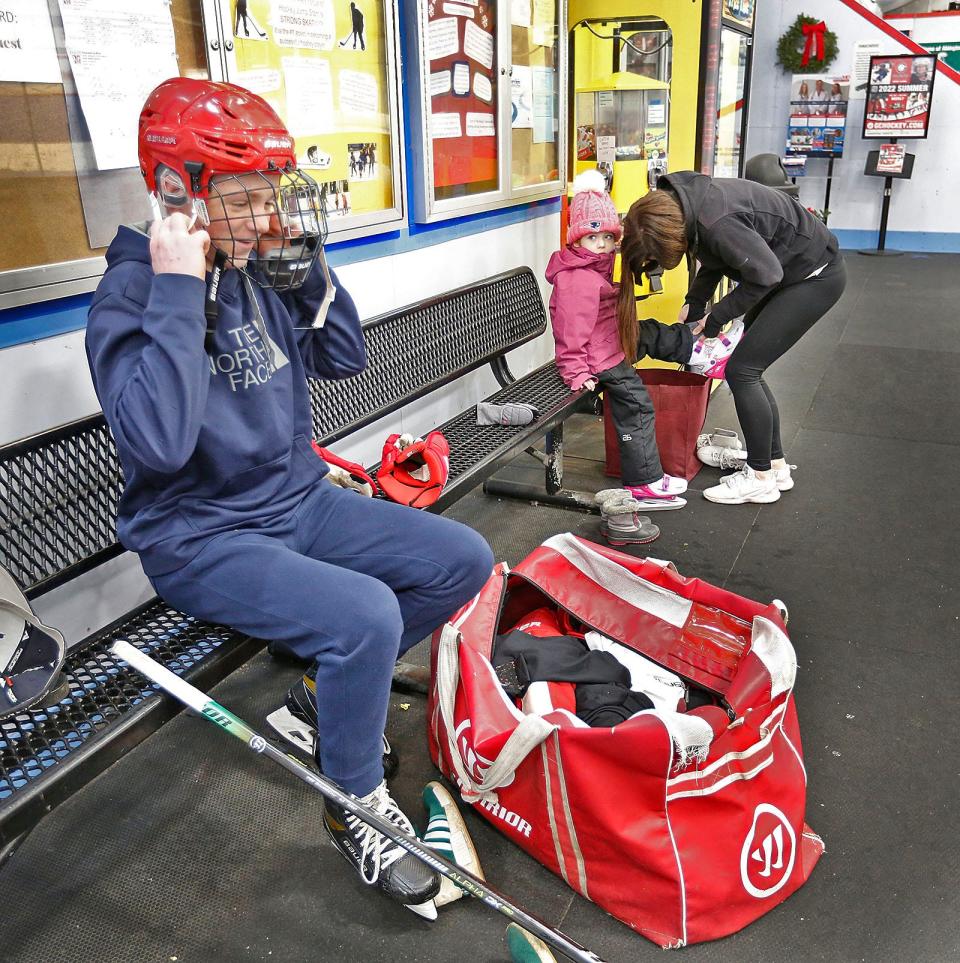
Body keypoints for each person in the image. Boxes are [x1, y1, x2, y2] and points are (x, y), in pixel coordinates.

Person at [85, 78, 492, 915]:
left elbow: (345, 357)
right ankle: (354, 809)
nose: (265, 211)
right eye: (244, 195)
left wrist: (304, 268)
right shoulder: (131, 296)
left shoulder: (252, 270)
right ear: (175, 191)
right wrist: (174, 288)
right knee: (365, 616)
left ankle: (316, 703)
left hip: (298, 502)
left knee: (463, 559)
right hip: (199, 537)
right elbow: (158, 444)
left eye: (272, 191)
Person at [618, 171, 847, 505]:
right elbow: (718, 256)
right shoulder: (690, 205)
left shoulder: (716, 220)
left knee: (743, 370)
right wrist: (694, 304)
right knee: (749, 368)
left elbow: (766, 275)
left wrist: (717, 318)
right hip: (791, 273)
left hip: (813, 278)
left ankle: (758, 477)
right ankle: (774, 466)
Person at [545, 171, 741, 527]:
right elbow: (570, 332)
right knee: (635, 403)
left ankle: (700, 353)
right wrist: (577, 373)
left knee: (648, 332)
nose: (603, 244)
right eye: (593, 237)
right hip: (597, 358)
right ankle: (644, 482)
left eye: (608, 236)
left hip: (609, 341)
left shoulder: (595, 266)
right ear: (576, 240)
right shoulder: (578, 280)